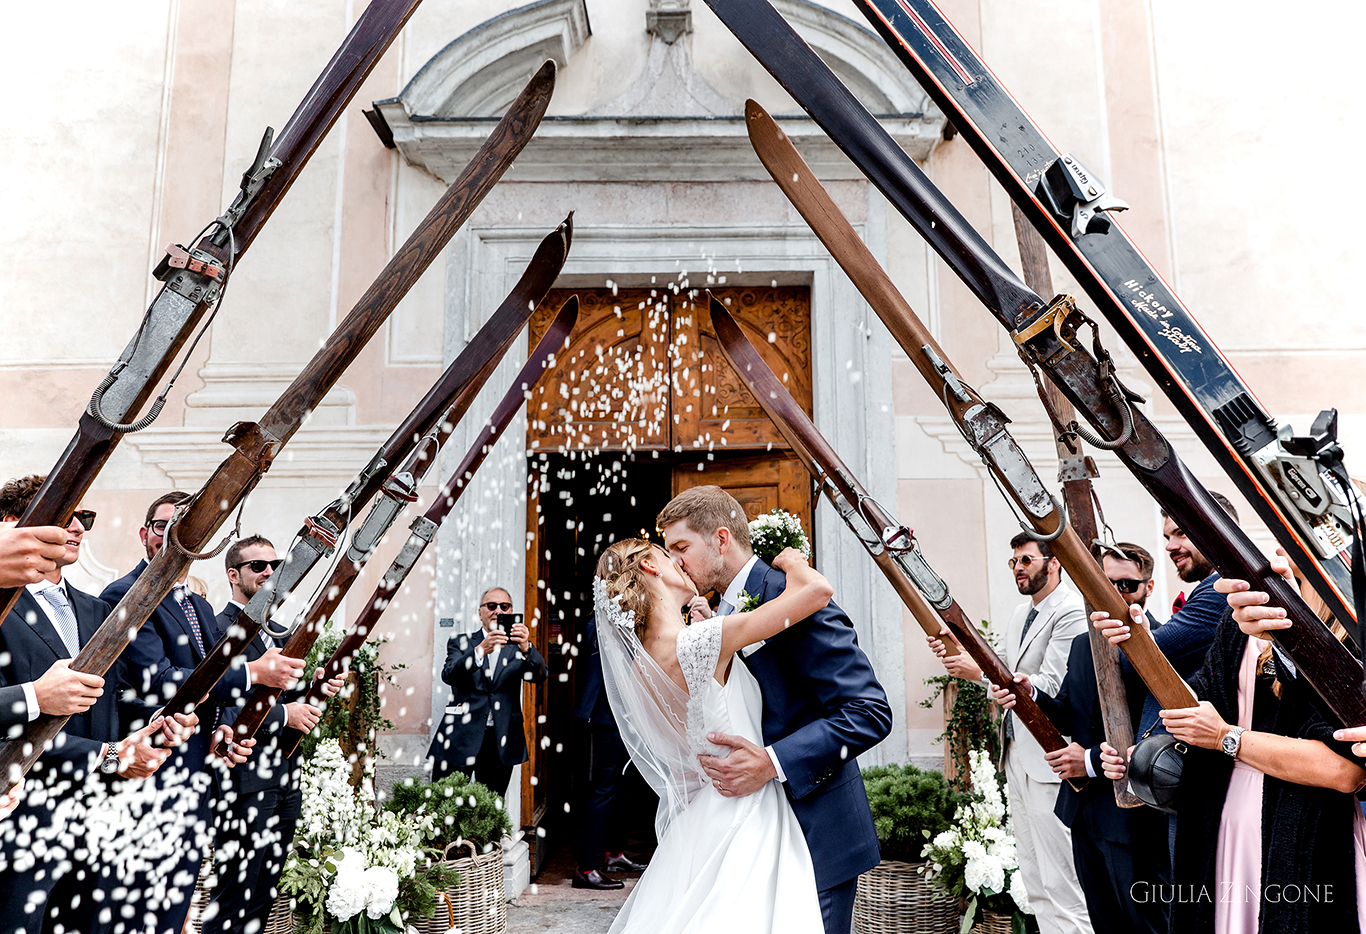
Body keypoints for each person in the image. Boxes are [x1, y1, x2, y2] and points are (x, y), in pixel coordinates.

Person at [656, 486, 892, 934]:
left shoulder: (788, 592)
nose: (675, 562)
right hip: (752, 837)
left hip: (815, 831)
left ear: (721, 539)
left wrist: (771, 762)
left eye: (681, 547)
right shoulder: (717, 615)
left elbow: (869, 710)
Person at [594, 536, 835, 933]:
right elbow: (817, 592)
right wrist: (794, 562)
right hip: (747, 813)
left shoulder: (640, 667)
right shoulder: (702, 641)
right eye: (667, 555)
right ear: (651, 567)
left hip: (702, 816)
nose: (679, 562)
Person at [1095, 580, 1366, 931]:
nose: (1277, 556)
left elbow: (1345, 771)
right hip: (1220, 828)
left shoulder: (1348, 631)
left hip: (1303, 837)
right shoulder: (1237, 620)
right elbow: (1204, 701)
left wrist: (1226, 737)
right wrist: (1141, 643)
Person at [103, 492, 294, 934]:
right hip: (149, 770)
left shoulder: (199, 605)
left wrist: (223, 727)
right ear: (145, 534)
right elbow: (160, 680)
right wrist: (253, 672)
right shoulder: (125, 594)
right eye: (163, 526)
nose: (175, 536)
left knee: (178, 901)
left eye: (188, 527)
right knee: (140, 909)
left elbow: (214, 681)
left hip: (196, 774)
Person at [0, 475, 182, 934]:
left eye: (85, 517)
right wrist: (107, 755)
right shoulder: (1, 608)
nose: (79, 527)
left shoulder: (98, 611)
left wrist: (157, 723)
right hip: (22, 816)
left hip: (99, 818)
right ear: (14, 524)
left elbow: (117, 698)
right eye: (67, 515)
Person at [991, 540, 1169, 934]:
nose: (1115, 594)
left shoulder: (1164, 644)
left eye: (1127, 585)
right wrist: (1031, 694)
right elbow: (1069, 711)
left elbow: (1157, 741)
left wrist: (1087, 761)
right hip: (1084, 812)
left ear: (1149, 587)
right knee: (1102, 923)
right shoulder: (1081, 644)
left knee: (1144, 925)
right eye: (1105, 585)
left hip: (1135, 820)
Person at [930, 533, 1091, 934]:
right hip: (1016, 753)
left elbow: (1051, 687)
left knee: (1063, 882)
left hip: (1051, 757)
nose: (1018, 568)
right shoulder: (1021, 614)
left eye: (1027, 560)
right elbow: (1000, 665)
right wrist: (958, 648)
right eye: (1014, 561)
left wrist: (980, 672)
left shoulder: (1071, 611)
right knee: (1035, 883)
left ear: (1054, 563)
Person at [205, 535, 340, 934]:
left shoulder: (282, 633)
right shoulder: (217, 629)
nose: (269, 573)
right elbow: (217, 705)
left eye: (274, 565)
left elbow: (290, 698)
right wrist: (284, 714)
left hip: (285, 776)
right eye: (258, 566)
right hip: (242, 778)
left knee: (264, 892)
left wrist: (317, 687)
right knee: (234, 892)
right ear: (233, 575)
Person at [427, 587, 547, 797]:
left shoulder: (518, 648)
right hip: (460, 737)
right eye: (491, 606)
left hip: (500, 739)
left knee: (491, 806)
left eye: (504, 606)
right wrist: (480, 651)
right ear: (480, 612)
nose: (498, 611)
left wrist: (527, 648)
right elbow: (449, 675)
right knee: (444, 804)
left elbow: (540, 675)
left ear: (511, 612)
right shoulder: (461, 642)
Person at [570, 613, 647, 890]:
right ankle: (586, 868)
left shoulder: (626, 620)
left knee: (624, 788)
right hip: (605, 716)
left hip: (629, 716)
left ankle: (614, 853)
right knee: (604, 789)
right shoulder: (599, 623)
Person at [1101, 542, 1160, 627]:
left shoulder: (1161, 634)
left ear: (1149, 587)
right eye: (1107, 583)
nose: (1115, 592)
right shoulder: (1086, 636)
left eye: (1126, 584)